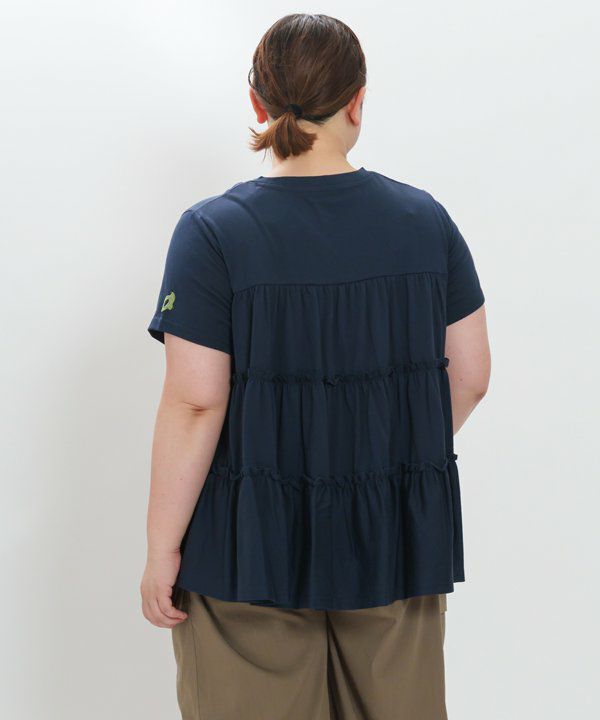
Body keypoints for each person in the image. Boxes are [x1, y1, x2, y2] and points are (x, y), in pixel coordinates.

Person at [141, 12, 491, 720]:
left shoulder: (212, 233)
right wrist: (382, 454)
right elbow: (473, 375)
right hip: (391, 540)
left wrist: (161, 549)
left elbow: (196, 402)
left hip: (245, 546)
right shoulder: (425, 222)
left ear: (258, 103)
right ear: (357, 101)